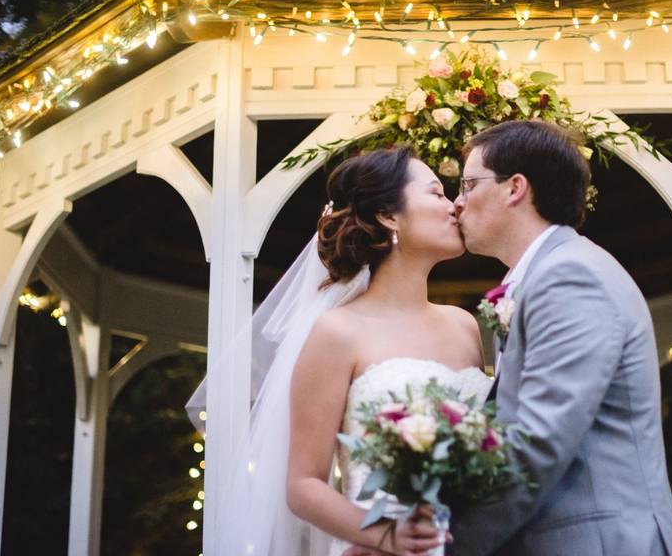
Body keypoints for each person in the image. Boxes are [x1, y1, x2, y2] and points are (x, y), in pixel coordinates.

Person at [191, 147, 493, 555]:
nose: (454, 205)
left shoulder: (464, 325)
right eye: (437, 193)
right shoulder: (338, 332)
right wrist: (386, 533)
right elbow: (303, 485)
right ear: (389, 215)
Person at [445, 120, 672, 555]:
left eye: (468, 185)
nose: (457, 203)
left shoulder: (570, 276)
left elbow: (539, 441)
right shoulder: (544, 276)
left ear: (514, 188)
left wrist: (444, 545)